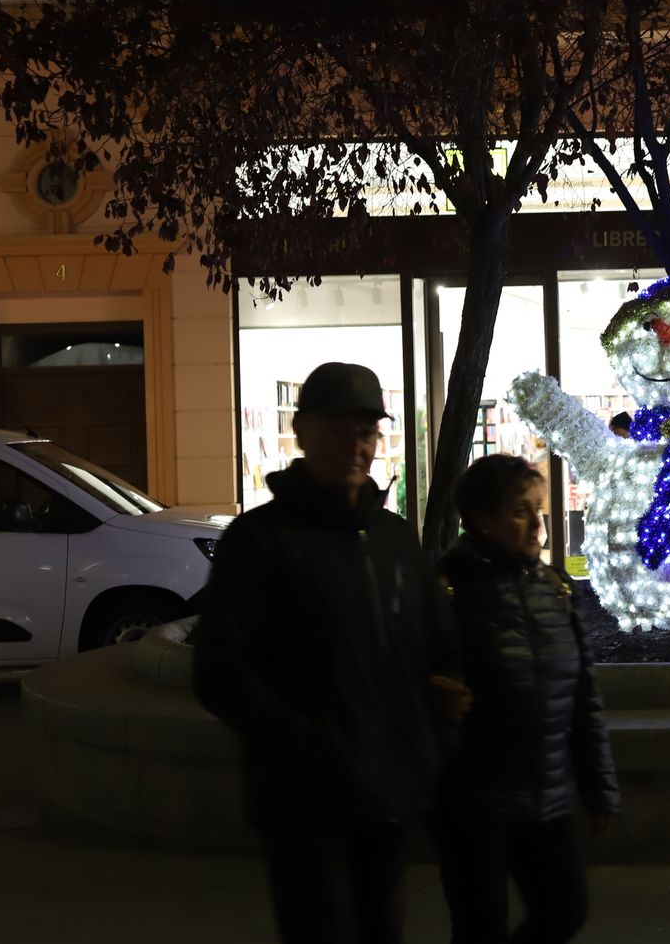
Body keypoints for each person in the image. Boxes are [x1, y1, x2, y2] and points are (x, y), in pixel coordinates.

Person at [193, 362, 469, 944]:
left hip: (388, 796)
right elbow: (220, 671)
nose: (357, 445)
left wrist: (435, 724)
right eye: (341, 430)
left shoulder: (394, 539)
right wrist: (309, 743)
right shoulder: (259, 540)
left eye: (367, 432)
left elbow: (439, 641)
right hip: (305, 805)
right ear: (302, 431)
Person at [434, 454, 619, 944]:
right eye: (521, 510)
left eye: (539, 508)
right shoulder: (448, 591)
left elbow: (583, 696)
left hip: (549, 798)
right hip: (475, 806)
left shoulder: (556, 590)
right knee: (480, 928)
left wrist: (599, 785)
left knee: (564, 912)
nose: (538, 524)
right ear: (480, 519)